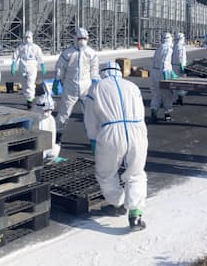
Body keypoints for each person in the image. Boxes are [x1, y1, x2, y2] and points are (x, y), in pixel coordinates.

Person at [84, 61, 148, 231]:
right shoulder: (133, 86)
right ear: (119, 72)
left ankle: (118, 203)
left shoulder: (96, 88)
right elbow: (141, 112)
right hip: (137, 130)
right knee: (135, 173)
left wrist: (92, 139)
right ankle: (135, 214)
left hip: (110, 132)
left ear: (102, 72)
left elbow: (90, 118)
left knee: (106, 173)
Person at [53, 27, 100, 132]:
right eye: (80, 38)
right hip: (70, 87)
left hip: (86, 88)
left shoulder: (91, 53)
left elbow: (94, 70)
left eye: (84, 38)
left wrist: (95, 81)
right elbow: (60, 67)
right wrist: (57, 80)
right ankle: (58, 135)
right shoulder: (68, 53)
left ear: (87, 39)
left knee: (90, 114)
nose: (82, 41)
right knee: (64, 113)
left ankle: (93, 138)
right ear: (75, 39)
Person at [12, 30, 46, 109]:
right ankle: (28, 97)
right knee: (24, 84)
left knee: (30, 83)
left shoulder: (36, 47)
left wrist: (42, 65)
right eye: (26, 37)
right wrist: (13, 65)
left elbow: (40, 57)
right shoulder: (20, 47)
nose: (27, 39)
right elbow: (15, 55)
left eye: (29, 37)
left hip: (32, 66)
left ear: (32, 38)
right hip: (22, 66)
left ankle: (30, 100)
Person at [32, 82, 64, 163]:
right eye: (46, 110)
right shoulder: (33, 119)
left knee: (56, 147)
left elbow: (52, 138)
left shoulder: (51, 119)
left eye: (50, 110)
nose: (47, 113)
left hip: (48, 153)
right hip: (36, 153)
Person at [150, 32, 175, 122]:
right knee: (167, 94)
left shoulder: (159, 47)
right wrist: (166, 74)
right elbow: (165, 62)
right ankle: (167, 115)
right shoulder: (168, 48)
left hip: (154, 72)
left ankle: (154, 113)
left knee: (156, 93)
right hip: (162, 73)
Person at [172, 32, 188, 106]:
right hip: (179, 66)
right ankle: (180, 98)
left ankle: (177, 98)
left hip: (174, 66)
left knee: (175, 83)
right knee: (181, 83)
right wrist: (182, 66)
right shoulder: (181, 46)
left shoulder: (174, 46)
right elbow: (181, 57)